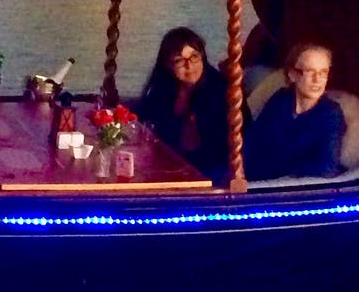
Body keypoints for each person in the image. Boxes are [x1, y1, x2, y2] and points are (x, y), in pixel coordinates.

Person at [135, 27, 229, 177]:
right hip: (170, 161)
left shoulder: (218, 91)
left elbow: (216, 147)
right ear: (167, 64)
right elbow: (146, 117)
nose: (189, 65)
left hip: (211, 168)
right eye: (179, 60)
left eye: (195, 57)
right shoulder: (165, 87)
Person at [245, 43, 345, 180]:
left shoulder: (331, 114)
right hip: (255, 179)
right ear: (292, 75)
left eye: (323, 72)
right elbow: (254, 141)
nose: (317, 80)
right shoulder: (281, 99)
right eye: (309, 72)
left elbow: (326, 168)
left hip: (291, 188)